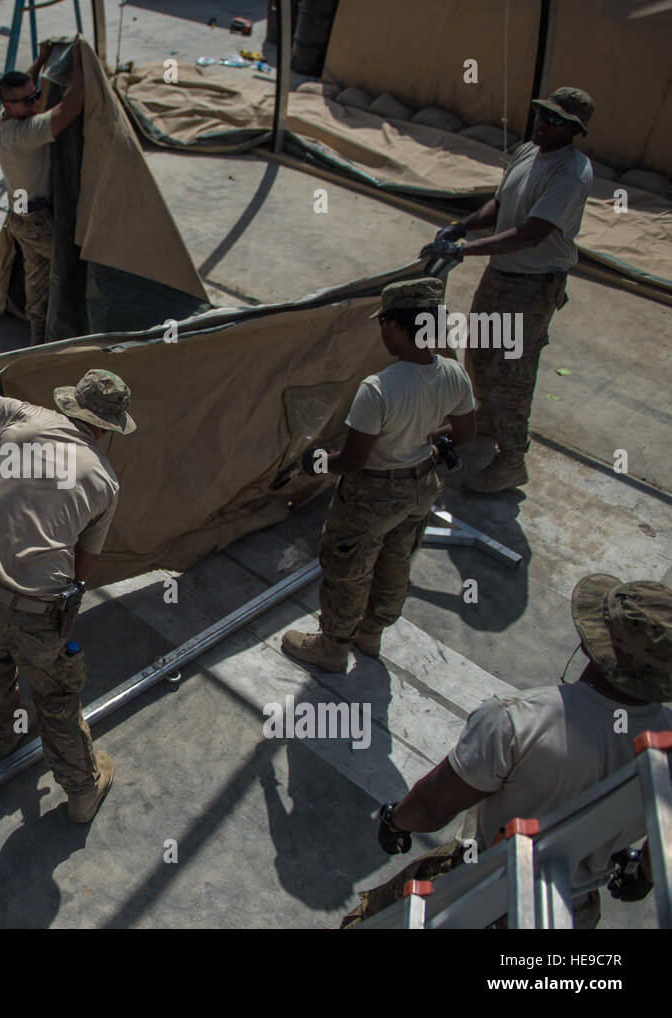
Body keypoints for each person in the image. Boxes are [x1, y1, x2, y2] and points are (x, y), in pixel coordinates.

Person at [344, 576, 672, 929]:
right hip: (569, 911)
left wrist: (395, 821)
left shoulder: (519, 718)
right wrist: (645, 876)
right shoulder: (664, 747)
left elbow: (431, 806)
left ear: (593, 645)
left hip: (481, 888)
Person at [0, 361, 133, 822]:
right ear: (107, 428)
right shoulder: (105, 481)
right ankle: (81, 792)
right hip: (40, 611)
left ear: (72, 402)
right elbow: (84, 565)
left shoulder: (19, 416)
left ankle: (2, 739)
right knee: (56, 699)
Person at [282, 278, 476, 671]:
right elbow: (466, 433)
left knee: (348, 569)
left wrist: (318, 461)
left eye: (383, 323)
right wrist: (429, 441)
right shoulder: (454, 373)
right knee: (396, 561)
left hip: (372, 496)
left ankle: (333, 646)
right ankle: (371, 635)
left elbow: (352, 462)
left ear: (395, 326)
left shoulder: (378, 388)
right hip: (420, 488)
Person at [422, 86, 595, 493]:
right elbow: (501, 204)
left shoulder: (570, 173)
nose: (543, 123)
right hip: (501, 275)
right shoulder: (528, 151)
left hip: (532, 287)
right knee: (479, 358)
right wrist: (463, 225)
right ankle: (483, 420)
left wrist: (466, 250)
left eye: (555, 120)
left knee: (512, 374)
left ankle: (512, 459)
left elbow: (533, 232)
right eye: (541, 114)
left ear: (573, 130)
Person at [0, 40, 85, 345]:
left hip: (21, 217)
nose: (35, 103)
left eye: (35, 96)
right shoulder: (23, 132)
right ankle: (64, 338)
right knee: (70, 270)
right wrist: (82, 63)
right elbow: (71, 106)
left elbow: (24, 86)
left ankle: (36, 338)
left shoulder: (3, 116)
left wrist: (41, 58)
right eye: (27, 101)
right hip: (37, 221)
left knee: (37, 280)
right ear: (9, 106)